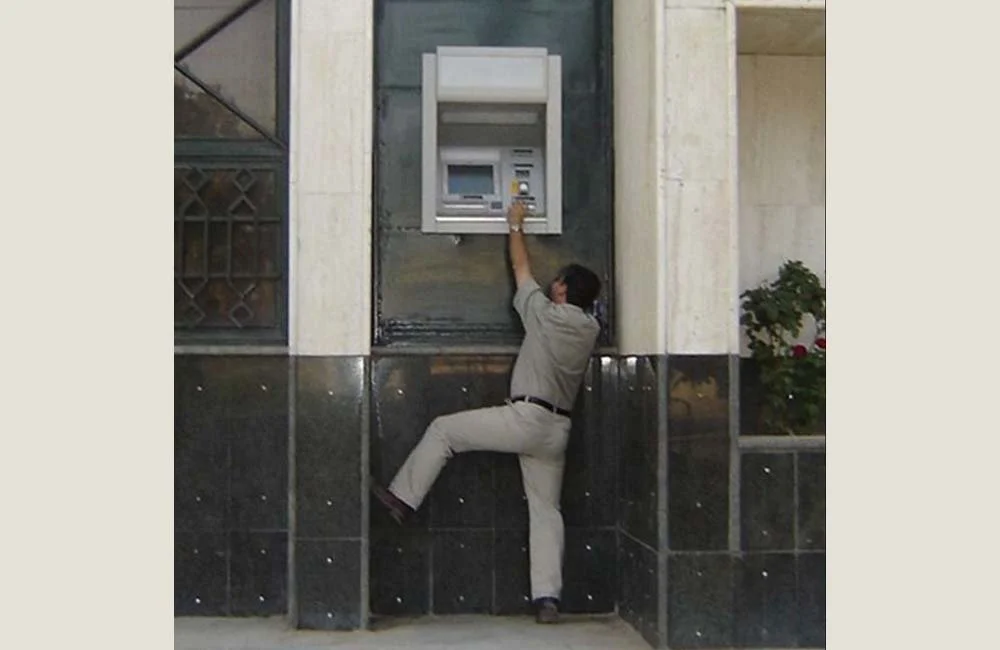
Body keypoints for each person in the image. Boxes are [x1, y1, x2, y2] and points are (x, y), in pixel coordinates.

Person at [371, 200, 602, 624]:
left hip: (525, 420)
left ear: (564, 291)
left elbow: (520, 270)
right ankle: (547, 598)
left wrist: (514, 224)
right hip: (557, 430)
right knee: (546, 510)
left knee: (443, 431)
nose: (553, 284)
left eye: (559, 282)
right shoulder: (589, 329)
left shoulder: (545, 316)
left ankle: (402, 498)